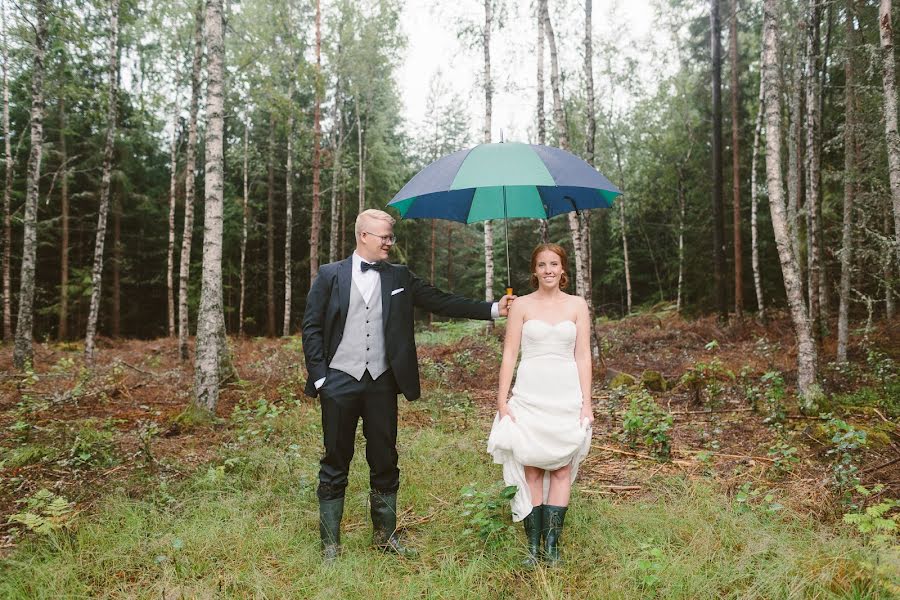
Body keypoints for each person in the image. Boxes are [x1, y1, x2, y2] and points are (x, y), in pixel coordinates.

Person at [302, 208, 514, 561]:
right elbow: (311, 327)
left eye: (391, 237)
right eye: (384, 237)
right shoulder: (330, 275)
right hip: (338, 380)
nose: (390, 243)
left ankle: (385, 538)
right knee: (336, 457)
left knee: (384, 457)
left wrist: (493, 309)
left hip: (382, 382)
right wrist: (321, 376)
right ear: (363, 236)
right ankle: (330, 545)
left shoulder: (399, 275)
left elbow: (442, 300)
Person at [487, 243, 593, 567]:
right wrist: (502, 398)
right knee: (531, 465)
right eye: (542, 264)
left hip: (565, 394)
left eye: (554, 264)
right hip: (531, 392)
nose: (548, 270)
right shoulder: (520, 306)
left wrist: (587, 402)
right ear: (534, 270)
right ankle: (532, 546)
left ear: (563, 270)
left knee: (560, 467)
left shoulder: (577, 305)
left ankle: (552, 545)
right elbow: (509, 354)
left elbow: (583, 355)